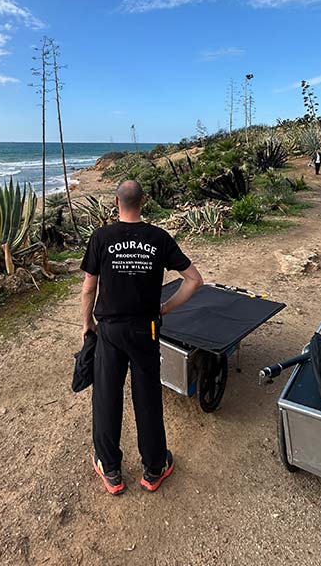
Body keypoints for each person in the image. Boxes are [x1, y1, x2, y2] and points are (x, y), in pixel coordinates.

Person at [80, 179, 203, 495]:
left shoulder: (101, 237)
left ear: (116, 203)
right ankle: (153, 468)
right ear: (143, 202)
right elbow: (194, 280)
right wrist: (165, 308)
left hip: (109, 330)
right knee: (147, 397)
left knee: (107, 395)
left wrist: (87, 324)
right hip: (145, 329)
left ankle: (110, 470)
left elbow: (89, 288)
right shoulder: (158, 238)